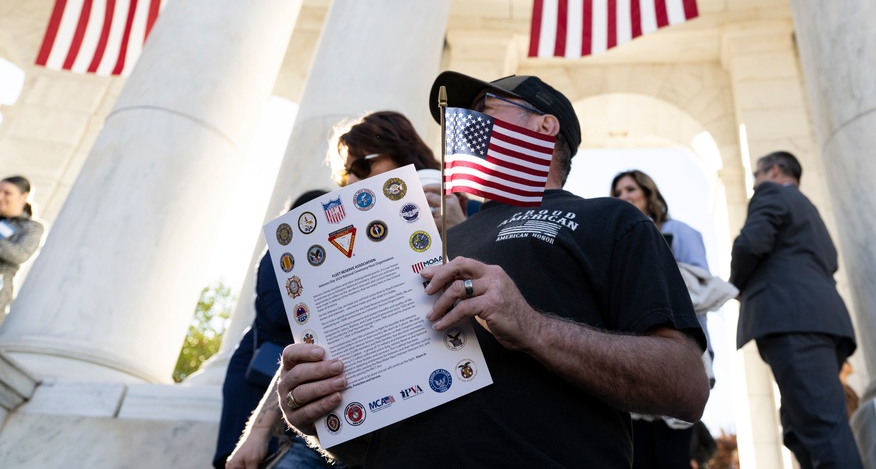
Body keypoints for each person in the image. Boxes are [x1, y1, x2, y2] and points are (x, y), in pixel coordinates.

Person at [276, 72, 710, 467]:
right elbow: (376, 429)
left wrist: (533, 327)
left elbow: (687, 387)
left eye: (483, 110)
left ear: (545, 125)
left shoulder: (610, 220)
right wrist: (320, 415)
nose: (462, 125)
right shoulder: (428, 238)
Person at [223, 111, 463, 469]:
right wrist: (257, 433)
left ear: (405, 154)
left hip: (436, 417)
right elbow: (314, 340)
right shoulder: (346, 239)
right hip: (341, 423)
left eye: (363, 167)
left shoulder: (462, 210)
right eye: (344, 174)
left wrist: (460, 229)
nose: (352, 181)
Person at [730, 151, 863, 468]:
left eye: (755, 178)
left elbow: (750, 244)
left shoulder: (771, 193)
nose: (754, 186)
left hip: (793, 321)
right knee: (800, 429)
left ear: (774, 171)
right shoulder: (810, 212)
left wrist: (732, 285)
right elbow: (830, 262)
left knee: (820, 428)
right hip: (821, 323)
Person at [214, 190, 334, 469]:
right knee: (242, 457)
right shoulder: (275, 254)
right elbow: (278, 312)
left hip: (290, 372)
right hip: (257, 370)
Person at [612, 170, 716, 469]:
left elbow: (702, 288)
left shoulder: (680, 233)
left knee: (672, 453)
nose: (624, 197)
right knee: (637, 453)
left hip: (677, 350)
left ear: (649, 193)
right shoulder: (617, 241)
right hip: (631, 352)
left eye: (631, 189)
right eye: (617, 192)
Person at [0, 175, 44, 322]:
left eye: (7, 193)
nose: (1, 197)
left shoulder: (31, 227)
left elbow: (20, 254)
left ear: (24, 197)